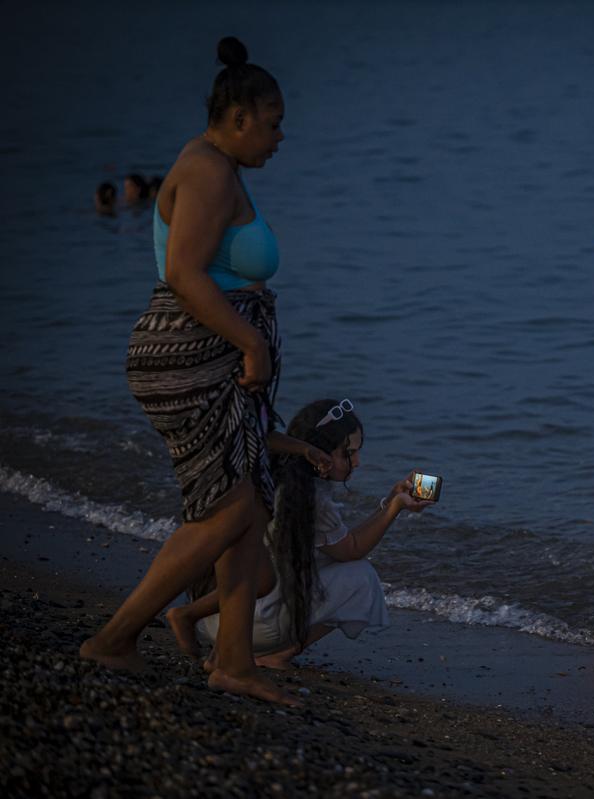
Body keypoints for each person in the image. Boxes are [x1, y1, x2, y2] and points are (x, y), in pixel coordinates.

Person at [80, 36, 294, 705]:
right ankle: (116, 635)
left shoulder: (217, 168)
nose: (280, 136)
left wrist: (249, 347)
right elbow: (183, 274)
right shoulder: (207, 170)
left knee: (247, 507)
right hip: (191, 361)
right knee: (227, 514)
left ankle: (233, 660)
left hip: (210, 360)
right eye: (273, 121)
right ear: (238, 119)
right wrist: (251, 346)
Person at [167, 399, 432, 668]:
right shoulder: (311, 499)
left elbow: (343, 545)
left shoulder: (270, 471)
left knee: (324, 560)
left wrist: (389, 502)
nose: (358, 462)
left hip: (211, 619)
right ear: (321, 454)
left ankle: (231, 648)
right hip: (250, 625)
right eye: (349, 453)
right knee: (362, 578)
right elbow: (352, 549)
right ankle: (279, 654)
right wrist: (394, 509)